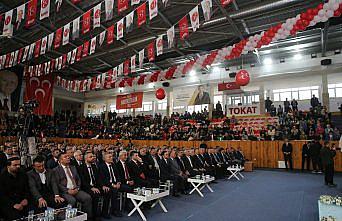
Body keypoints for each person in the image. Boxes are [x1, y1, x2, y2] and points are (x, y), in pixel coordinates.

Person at [53, 152, 93, 219]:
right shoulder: (56, 170)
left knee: (87, 198)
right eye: (65, 157)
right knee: (72, 200)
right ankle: (73, 218)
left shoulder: (73, 167)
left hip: (76, 189)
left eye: (68, 156)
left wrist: (77, 188)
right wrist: (67, 190)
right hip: (65, 191)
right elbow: (58, 184)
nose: (68, 157)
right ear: (60, 160)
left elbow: (78, 179)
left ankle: (86, 218)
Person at [79, 152, 107, 219]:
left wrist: (102, 186)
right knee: (95, 194)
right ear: (86, 158)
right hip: (86, 187)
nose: (93, 158)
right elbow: (83, 181)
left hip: (95, 186)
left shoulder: (94, 166)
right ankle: (94, 215)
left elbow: (98, 178)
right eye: (90, 157)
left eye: (93, 156)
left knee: (107, 191)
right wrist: (91, 188)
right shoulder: (81, 167)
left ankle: (104, 212)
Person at [98, 152, 123, 218]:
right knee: (112, 191)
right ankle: (107, 212)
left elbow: (118, 175)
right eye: (109, 157)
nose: (111, 158)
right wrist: (112, 185)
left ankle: (125, 207)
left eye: (112, 156)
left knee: (128, 188)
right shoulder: (101, 166)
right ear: (104, 159)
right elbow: (103, 179)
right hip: (107, 184)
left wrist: (118, 182)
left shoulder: (113, 165)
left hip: (115, 183)